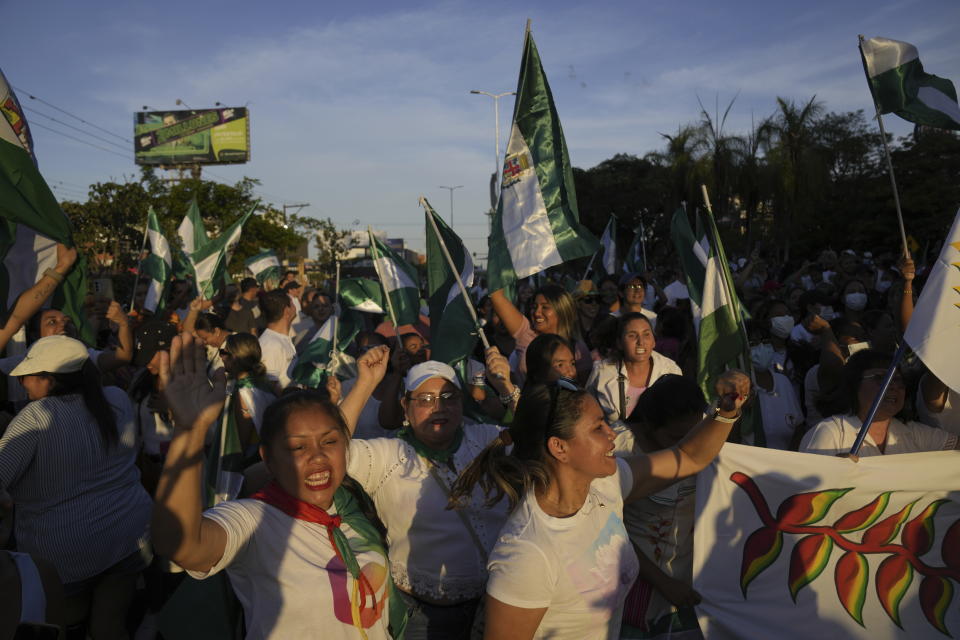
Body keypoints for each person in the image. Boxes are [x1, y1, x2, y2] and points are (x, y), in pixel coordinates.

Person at [449, 371, 750, 640]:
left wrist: (725, 412)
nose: (611, 434)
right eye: (597, 428)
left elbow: (689, 457)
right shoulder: (528, 553)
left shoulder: (606, 485)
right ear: (559, 447)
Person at [152, 333, 406, 639]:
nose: (317, 457)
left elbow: (329, 436)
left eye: (329, 443)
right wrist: (189, 432)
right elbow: (183, 545)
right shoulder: (255, 521)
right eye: (297, 448)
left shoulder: (353, 504)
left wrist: (365, 383)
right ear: (268, 459)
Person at [339, 355, 510, 639]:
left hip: (491, 606)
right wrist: (365, 384)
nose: (438, 407)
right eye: (426, 399)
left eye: (448, 397)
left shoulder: (485, 439)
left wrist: (506, 386)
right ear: (406, 407)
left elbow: (542, 439)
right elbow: (329, 452)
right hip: (424, 618)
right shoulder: (388, 455)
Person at [0, 336, 152, 639]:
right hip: (129, 532)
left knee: (64, 627)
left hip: (64, 551)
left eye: (29, 376)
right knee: (110, 627)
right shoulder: (116, 399)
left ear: (51, 380)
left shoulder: (35, 417)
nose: (23, 383)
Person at [799, 349, 960, 457]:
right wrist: (833, 473)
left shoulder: (915, 434)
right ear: (855, 384)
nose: (893, 386)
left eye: (898, 380)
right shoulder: (830, 433)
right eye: (881, 378)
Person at [586, 313, 682, 428]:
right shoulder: (603, 371)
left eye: (646, 335)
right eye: (632, 335)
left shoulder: (671, 370)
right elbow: (587, 413)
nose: (641, 342)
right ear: (619, 343)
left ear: (654, 341)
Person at [490, 284, 592, 383]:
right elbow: (497, 297)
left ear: (561, 310)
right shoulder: (526, 334)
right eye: (534, 306)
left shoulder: (578, 348)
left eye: (545, 307)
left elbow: (583, 389)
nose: (536, 312)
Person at [257, 290, 298, 391]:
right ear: (287, 311)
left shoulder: (279, 340)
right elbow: (270, 388)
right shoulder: (271, 345)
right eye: (292, 303)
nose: (295, 306)